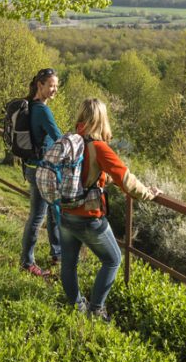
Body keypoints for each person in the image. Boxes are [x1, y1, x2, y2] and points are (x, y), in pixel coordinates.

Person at [59, 98, 161, 321]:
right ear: (101, 119)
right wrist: (148, 193)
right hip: (88, 217)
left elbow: (86, 174)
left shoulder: (71, 140)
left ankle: (76, 306)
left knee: (69, 264)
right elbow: (126, 178)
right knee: (113, 259)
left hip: (65, 212)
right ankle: (96, 310)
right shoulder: (99, 147)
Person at [20, 68, 62, 276]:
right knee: (37, 217)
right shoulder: (42, 110)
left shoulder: (30, 105)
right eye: (51, 85)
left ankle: (58, 253)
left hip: (33, 166)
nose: (54, 90)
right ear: (40, 85)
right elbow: (58, 137)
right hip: (40, 170)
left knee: (54, 210)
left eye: (56, 85)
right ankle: (27, 263)